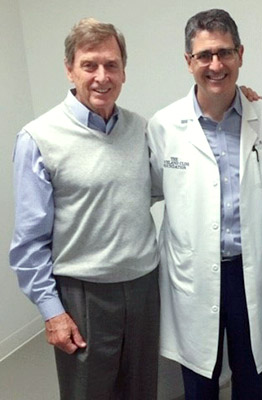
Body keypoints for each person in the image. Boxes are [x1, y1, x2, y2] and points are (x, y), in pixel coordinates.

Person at [9, 18, 159, 400]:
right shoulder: (38, 138)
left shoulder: (141, 130)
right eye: (89, 65)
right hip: (83, 297)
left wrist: (236, 99)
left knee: (142, 392)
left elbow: (164, 185)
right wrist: (52, 311)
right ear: (69, 69)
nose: (101, 77)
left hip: (144, 288)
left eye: (111, 65)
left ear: (124, 71)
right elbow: (29, 242)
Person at [147, 9, 262, 399]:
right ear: (188, 61)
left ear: (240, 54)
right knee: (199, 377)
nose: (215, 65)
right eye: (204, 55)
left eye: (225, 52)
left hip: (249, 271)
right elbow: (147, 191)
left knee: (250, 375)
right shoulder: (164, 126)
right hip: (192, 273)